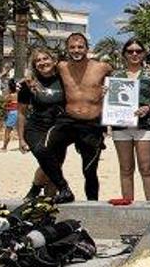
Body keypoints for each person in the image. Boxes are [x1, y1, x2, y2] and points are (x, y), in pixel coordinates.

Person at [40, 32, 113, 203]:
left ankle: (92, 203)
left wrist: (109, 90)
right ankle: (53, 195)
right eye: (72, 47)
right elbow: (41, 73)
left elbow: (124, 79)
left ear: (87, 48)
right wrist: (25, 83)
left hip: (92, 124)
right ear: (67, 49)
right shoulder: (61, 67)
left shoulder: (103, 67)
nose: (76, 50)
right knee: (49, 156)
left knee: (89, 170)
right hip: (67, 120)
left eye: (80, 46)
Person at [110, 39, 150, 202]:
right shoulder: (115, 76)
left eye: (138, 50)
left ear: (143, 53)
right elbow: (108, 102)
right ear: (124, 54)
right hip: (121, 127)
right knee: (126, 169)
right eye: (130, 51)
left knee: (147, 168)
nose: (134, 54)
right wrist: (105, 95)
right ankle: (127, 205)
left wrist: (149, 108)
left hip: (145, 127)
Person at [17, 48, 65, 199]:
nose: (43, 62)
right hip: (35, 128)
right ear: (34, 65)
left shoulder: (63, 80)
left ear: (53, 60)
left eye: (46, 58)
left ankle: (47, 198)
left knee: (53, 167)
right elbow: (21, 112)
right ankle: (63, 188)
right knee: (42, 153)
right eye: (38, 60)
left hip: (58, 129)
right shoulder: (28, 84)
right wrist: (20, 139)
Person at [0, 79, 19, 152]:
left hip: (12, 113)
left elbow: (4, 103)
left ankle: (4, 147)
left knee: (7, 131)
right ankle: (22, 146)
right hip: (19, 113)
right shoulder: (18, 94)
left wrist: (5, 92)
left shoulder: (10, 96)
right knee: (20, 131)